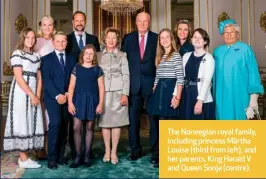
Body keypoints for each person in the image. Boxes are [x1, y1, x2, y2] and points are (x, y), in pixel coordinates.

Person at [121, 12, 159, 166]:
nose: (143, 24)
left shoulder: (157, 38)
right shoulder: (128, 39)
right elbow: (124, 63)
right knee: (133, 120)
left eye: (145, 21)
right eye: (140, 21)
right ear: (136, 23)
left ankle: (156, 152)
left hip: (152, 85)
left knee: (153, 120)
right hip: (133, 85)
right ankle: (135, 150)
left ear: (149, 22)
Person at [3, 27, 44, 168]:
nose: (31, 40)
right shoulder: (17, 54)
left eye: (33, 38)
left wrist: (37, 95)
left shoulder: (37, 56)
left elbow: (39, 78)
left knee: (30, 122)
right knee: (22, 121)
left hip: (34, 92)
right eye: (28, 37)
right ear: (23, 38)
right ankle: (23, 158)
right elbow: (19, 78)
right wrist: (32, 95)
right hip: (21, 92)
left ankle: (24, 157)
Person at [65, 10, 100, 159]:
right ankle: (76, 153)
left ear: (85, 22)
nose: (79, 23)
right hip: (74, 86)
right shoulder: (67, 39)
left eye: (82, 20)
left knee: (90, 124)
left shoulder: (93, 38)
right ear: (73, 22)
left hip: (91, 86)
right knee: (75, 125)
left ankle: (87, 152)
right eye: (76, 21)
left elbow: (97, 61)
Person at [213, 19, 264, 120]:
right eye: (226, 32)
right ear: (222, 34)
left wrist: (253, 100)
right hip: (220, 98)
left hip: (240, 96)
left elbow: (253, 73)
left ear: (237, 33)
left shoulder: (246, 49)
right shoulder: (217, 51)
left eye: (232, 32)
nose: (229, 35)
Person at [41, 31, 76, 169]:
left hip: (68, 97)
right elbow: (47, 81)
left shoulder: (72, 58)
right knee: (55, 124)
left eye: (64, 41)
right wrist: (58, 96)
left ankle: (61, 156)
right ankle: (52, 158)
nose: (61, 43)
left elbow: (74, 78)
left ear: (67, 43)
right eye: (58, 41)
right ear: (53, 42)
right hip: (52, 98)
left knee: (64, 127)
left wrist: (68, 94)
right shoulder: (46, 59)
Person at [68, 44, 104, 168]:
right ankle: (78, 156)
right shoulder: (76, 68)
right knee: (76, 127)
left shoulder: (97, 69)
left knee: (89, 128)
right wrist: (70, 102)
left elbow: (101, 88)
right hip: (78, 100)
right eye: (86, 53)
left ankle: (87, 156)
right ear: (82, 54)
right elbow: (71, 87)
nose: (88, 56)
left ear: (94, 56)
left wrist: (100, 103)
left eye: (91, 53)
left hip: (92, 100)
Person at [97, 28, 130, 165]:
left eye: (114, 37)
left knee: (116, 124)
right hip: (103, 93)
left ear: (117, 40)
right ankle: (107, 150)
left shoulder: (123, 55)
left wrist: (125, 93)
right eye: (108, 37)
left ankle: (114, 152)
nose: (111, 40)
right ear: (104, 39)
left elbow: (126, 75)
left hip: (118, 93)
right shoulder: (97, 55)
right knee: (105, 123)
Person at [179, 28, 215, 119]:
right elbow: (180, 77)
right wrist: (176, 95)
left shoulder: (209, 58)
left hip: (200, 95)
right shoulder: (186, 56)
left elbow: (207, 81)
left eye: (200, 37)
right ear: (191, 40)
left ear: (205, 41)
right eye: (195, 37)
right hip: (186, 95)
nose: (197, 39)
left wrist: (200, 101)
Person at [35, 15, 56, 159]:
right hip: (38, 82)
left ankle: (50, 147)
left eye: (50, 25)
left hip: (53, 83)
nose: (47, 28)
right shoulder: (35, 42)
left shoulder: (57, 41)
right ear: (40, 26)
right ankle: (39, 148)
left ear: (53, 27)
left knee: (50, 116)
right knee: (39, 115)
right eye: (44, 25)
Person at [152, 28, 184, 119]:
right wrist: (155, 88)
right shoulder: (160, 56)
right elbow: (157, 76)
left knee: (170, 120)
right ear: (159, 41)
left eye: (167, 37)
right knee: (161, 119)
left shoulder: (176, 55)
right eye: (162, 38)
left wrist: (178, 97)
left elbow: (180, 78)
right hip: (159, 89)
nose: (164, 40)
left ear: (171, 39)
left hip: (170, 90)